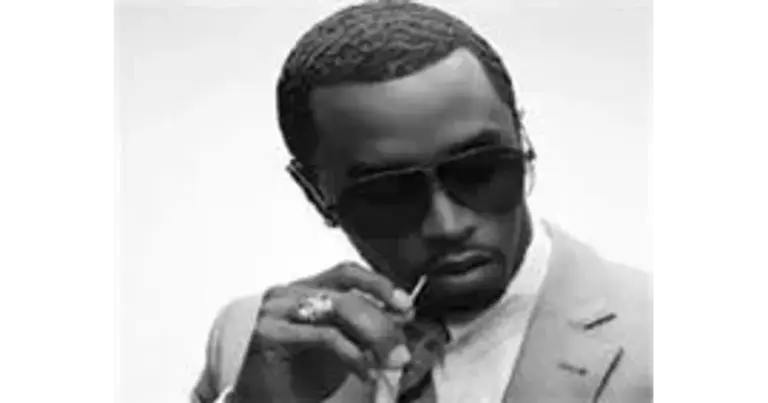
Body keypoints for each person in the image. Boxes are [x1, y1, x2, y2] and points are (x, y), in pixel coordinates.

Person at [191, 1, 655, 402]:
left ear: (523, 140)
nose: (448, 225)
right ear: (314, 193)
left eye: (480, 171)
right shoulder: (250, 347)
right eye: (388, 194)